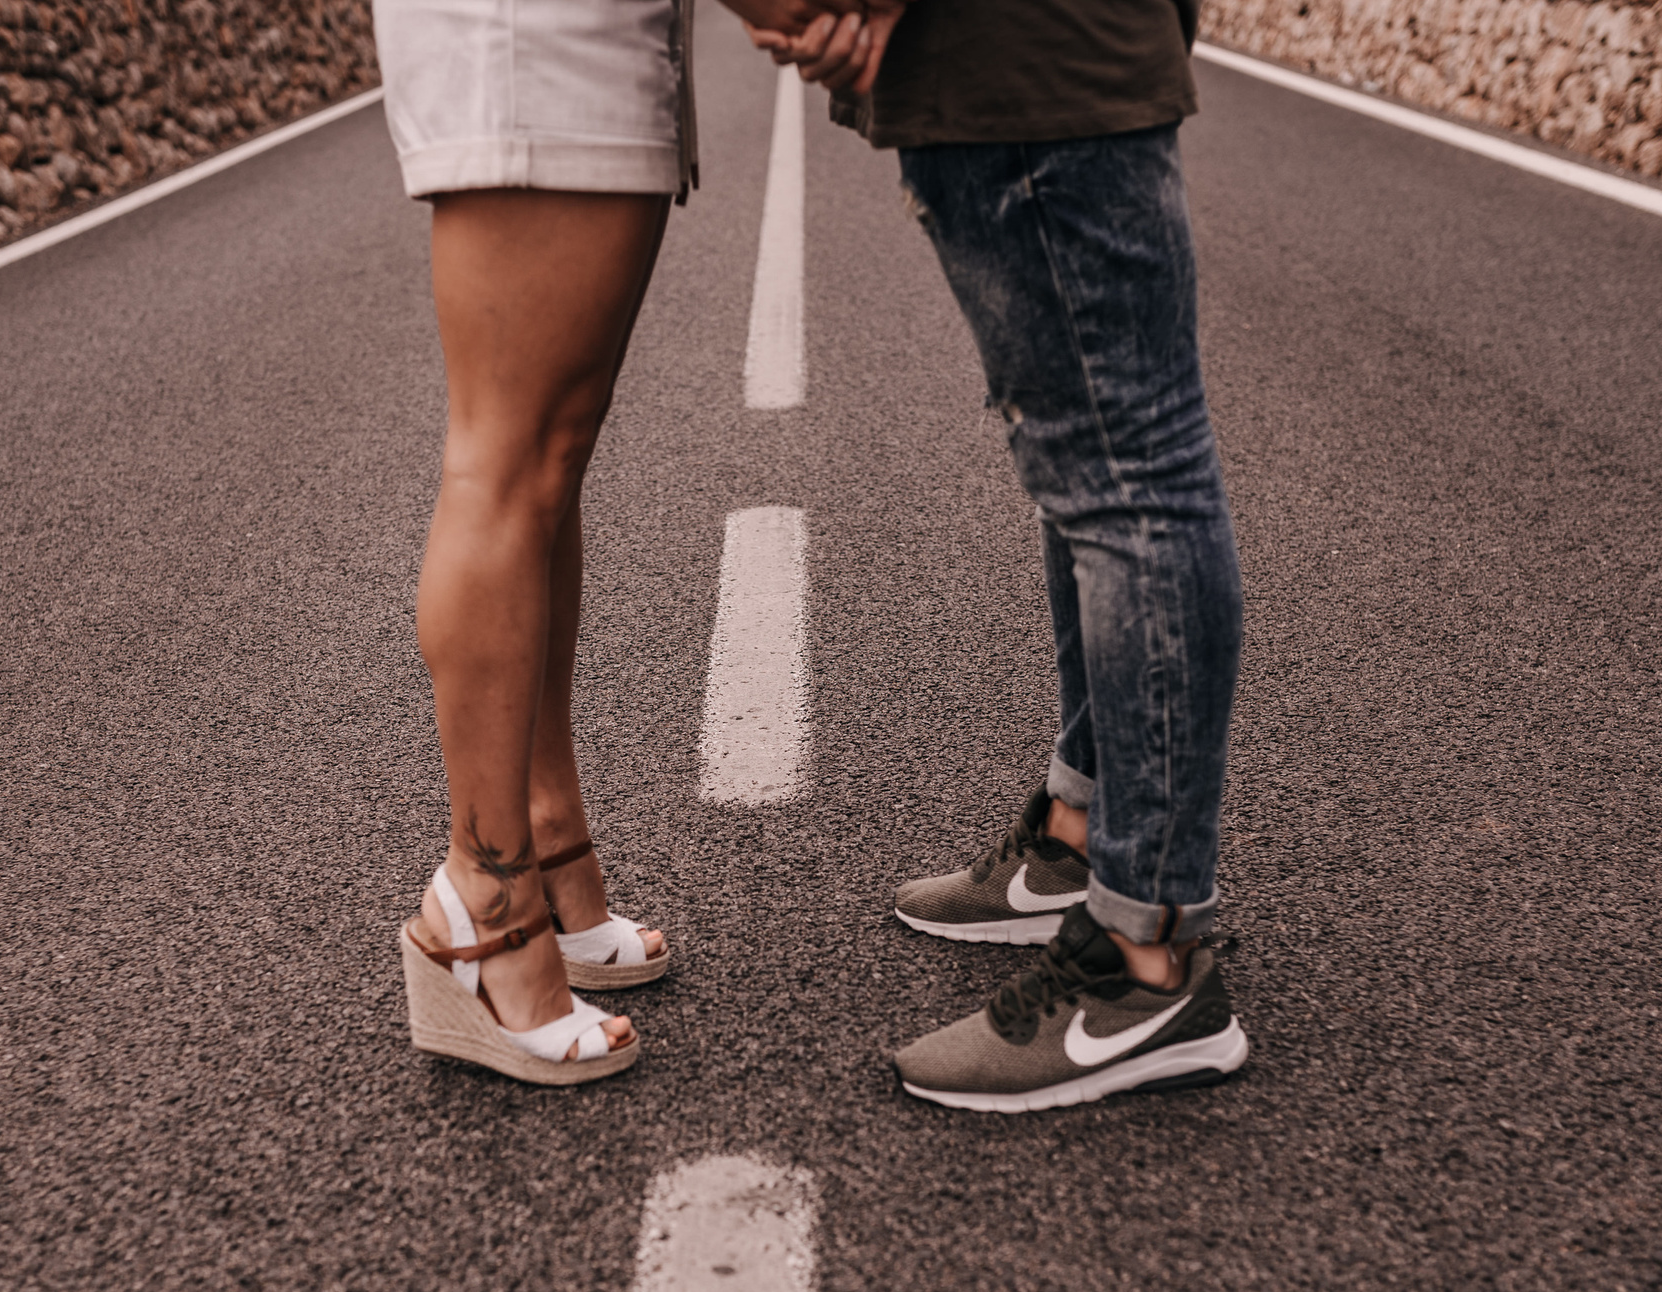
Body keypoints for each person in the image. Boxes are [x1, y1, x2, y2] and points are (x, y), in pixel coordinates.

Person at [754, 0, 1253, 1112]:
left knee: (1131, 480)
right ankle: (1085, 836)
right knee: (1086, 471)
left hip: (1030, 52)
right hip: (1026, 55)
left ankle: (1146, 959)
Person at [377, 0, 847, 1084]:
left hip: (594, 27)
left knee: (548, 458)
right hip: (530, 32)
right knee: (506, 457)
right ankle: (482, 901)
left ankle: (542, 845)